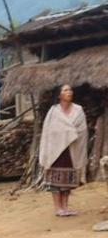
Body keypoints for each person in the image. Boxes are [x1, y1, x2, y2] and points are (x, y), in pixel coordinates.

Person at [39, 84, 88, 217]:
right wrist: (64, 134)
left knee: (69, 179)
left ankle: (65, 207)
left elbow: (82, 130)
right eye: (66, 90)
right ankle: (57, 208)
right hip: (56, 150)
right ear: (59, 95)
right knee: (55, 181)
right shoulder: (54, 111)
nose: (69, 92)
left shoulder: (78, 110)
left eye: (70, 90)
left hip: (72, 149)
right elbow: (48, 131)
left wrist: (70, 134)